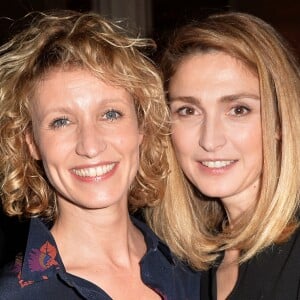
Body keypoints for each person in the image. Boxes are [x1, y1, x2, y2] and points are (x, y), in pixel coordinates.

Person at [0, 10, 200, 299]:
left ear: (141, 126)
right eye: (61, 121)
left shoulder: (190, 269)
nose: (90, 146)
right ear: (31, 143)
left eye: (110, 114)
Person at [147, 11, 300, 299]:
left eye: (238, 109)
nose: (210, 140)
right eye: (188, 110)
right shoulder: (192, 265)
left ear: (280, 121)